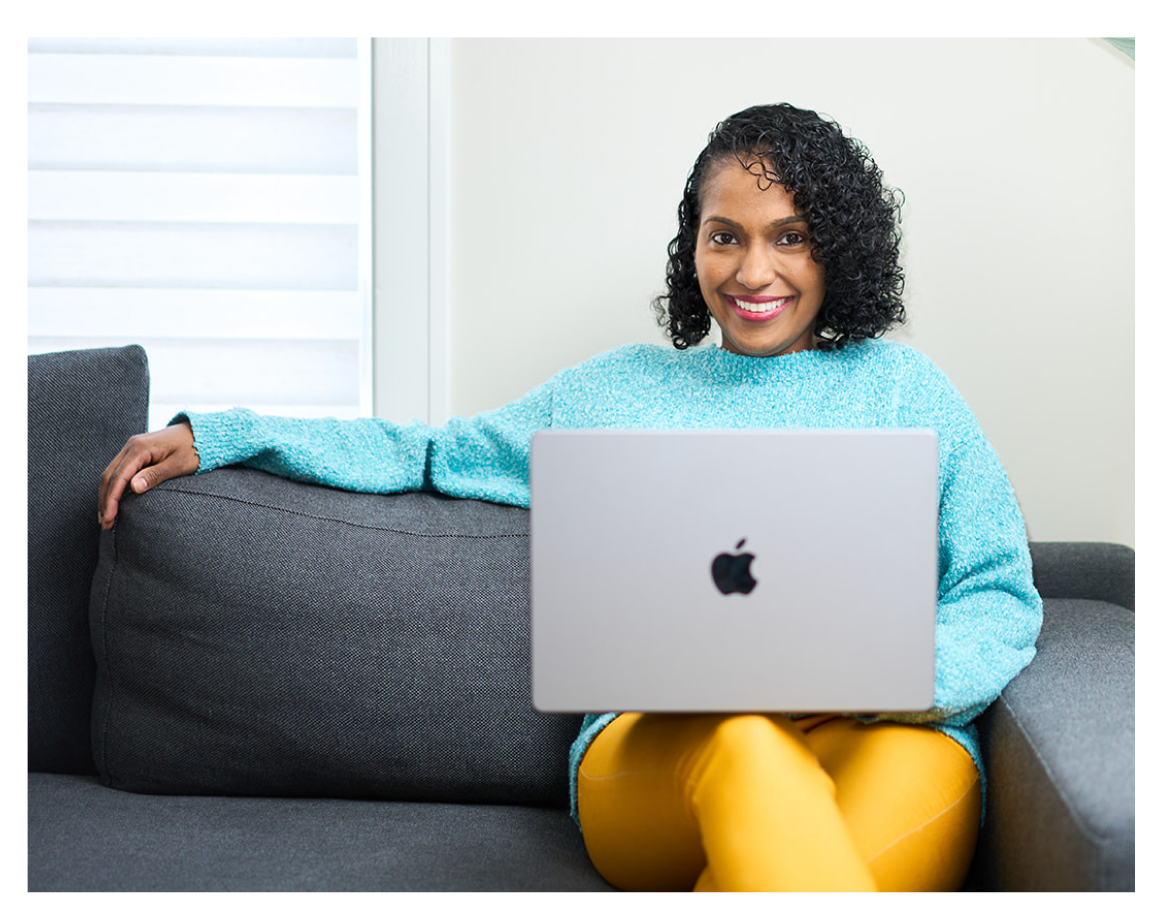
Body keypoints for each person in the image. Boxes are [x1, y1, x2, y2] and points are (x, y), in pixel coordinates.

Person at [98, 103, 1042, 895]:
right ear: (696, 246)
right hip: (661, 754)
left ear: (836, 249)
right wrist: (224, 433)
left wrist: (883, 681)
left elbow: (999, 591)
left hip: (889, 737)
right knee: (747, 740)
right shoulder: (609, 393)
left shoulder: (909, 394)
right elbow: (427, 452)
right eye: (727, 236)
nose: (755, 272)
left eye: (789, 237)